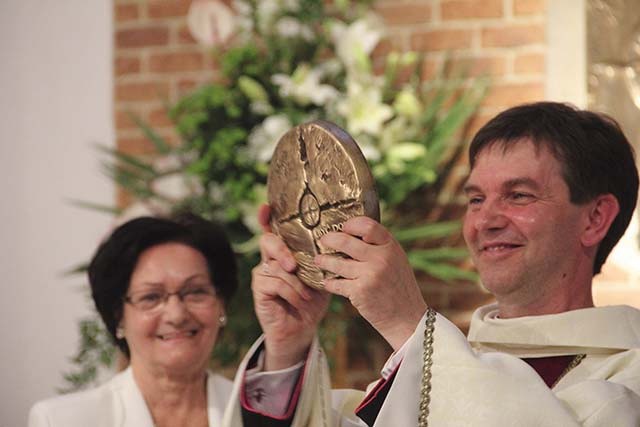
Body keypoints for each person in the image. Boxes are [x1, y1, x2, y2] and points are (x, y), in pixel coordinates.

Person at [222, 102, 640, 426]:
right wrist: (287, 347)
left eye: (519, 195)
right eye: (476, 199)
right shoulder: (435, 370)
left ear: (595, 218)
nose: (486, 221)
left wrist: (407, 322)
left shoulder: (628, 373)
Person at [29, 213, 238, 427]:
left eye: (195, 292)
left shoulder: (259, 415)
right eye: (151, 297)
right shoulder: (61, 421)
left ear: (221, 304)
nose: (176, 315)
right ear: (118, 316)